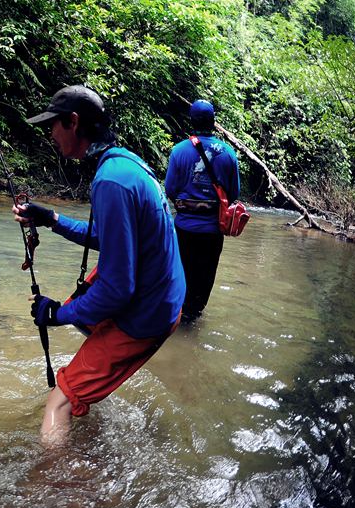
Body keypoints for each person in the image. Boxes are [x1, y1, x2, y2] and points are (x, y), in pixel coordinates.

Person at [13, 85, 185, 447]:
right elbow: (109, 239)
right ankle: (90, 388)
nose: (50, 134)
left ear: (73, 123)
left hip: (147, 314)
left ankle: (55, 491)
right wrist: (52, 219)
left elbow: (117, 289)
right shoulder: (125, 164)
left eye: (53, 125)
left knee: (58, 400)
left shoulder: (110, 181)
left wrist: (56, 314)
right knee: (83, 308)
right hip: (166, 296)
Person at [164, 100, 240, 322]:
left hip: (184, 228)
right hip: (212, 230)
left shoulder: (179, 151)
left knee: (180, 276)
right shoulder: (228, 153)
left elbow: (170, 189)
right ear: (214, 122)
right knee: (204, 279)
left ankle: (174, 319)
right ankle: (193, 317)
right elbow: (233, 194)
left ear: (191, 121)